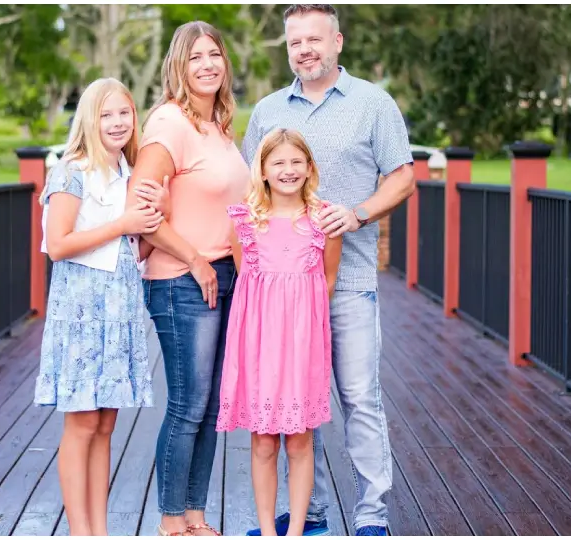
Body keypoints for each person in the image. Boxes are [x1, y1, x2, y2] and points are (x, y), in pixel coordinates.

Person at [241, 5, 415, 537]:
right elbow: (250, 193)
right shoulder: (269, 111)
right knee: (297, 399)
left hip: (350, 282)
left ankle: (371, 516)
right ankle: (306, 514)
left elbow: (403, 177)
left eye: (315, 39)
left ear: (337, 41)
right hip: (282, 293)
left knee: (359, 397)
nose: (305, 50)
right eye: (295, 43)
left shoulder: (372, 104)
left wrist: (358, 212)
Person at [124, 21, 251, 537]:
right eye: (196, 56)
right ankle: (172, 521)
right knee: (188, 403)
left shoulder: (217, 126)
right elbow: (140, 209)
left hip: (223, 276)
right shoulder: (170, 123)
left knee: (212, 404)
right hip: (181, 280)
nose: (207, 64)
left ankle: (197, 515)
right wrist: (196, 259)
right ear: (179, 65)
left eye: (215, 54)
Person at [34, 77, 170, 537]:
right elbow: (58, 245)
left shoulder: (130, 174)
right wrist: (122, 223)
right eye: (105, 114)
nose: (116, 122)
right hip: (82, 307)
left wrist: (154, 218)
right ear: (89, 120)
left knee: (106, 422)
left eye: (124, 113)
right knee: (83, 421)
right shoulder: (72, 171)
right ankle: (79, 531)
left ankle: (100, 529)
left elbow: (137, 252)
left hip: (120, 306)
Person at [216, 128, 341, 536]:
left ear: (309, 168)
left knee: (301, 440)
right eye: (278, 163)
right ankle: (268, 531)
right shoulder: (245, 222)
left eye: (295, 162)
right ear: (263, 171)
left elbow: (327, 280)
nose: (288, 170)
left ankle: (297, 529)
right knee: (264, 441)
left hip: (303, 346)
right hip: (259, 346)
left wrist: (302, 331)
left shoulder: (324, 221)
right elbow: (246, 279)